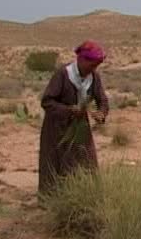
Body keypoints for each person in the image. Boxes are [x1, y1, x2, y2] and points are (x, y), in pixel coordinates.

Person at [38, 40, 109, 197]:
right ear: (81, 60)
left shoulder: (94, 77)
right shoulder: (63, 74)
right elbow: (47, 102)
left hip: (80, 127)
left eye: (96, 65)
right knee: (55, 162)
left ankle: (85, 195)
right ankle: (51, 200)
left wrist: (101, 114)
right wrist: (68, 110)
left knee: (85, 160)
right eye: (91, 64)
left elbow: (102, 100)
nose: (94, 68)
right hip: (57, 127)